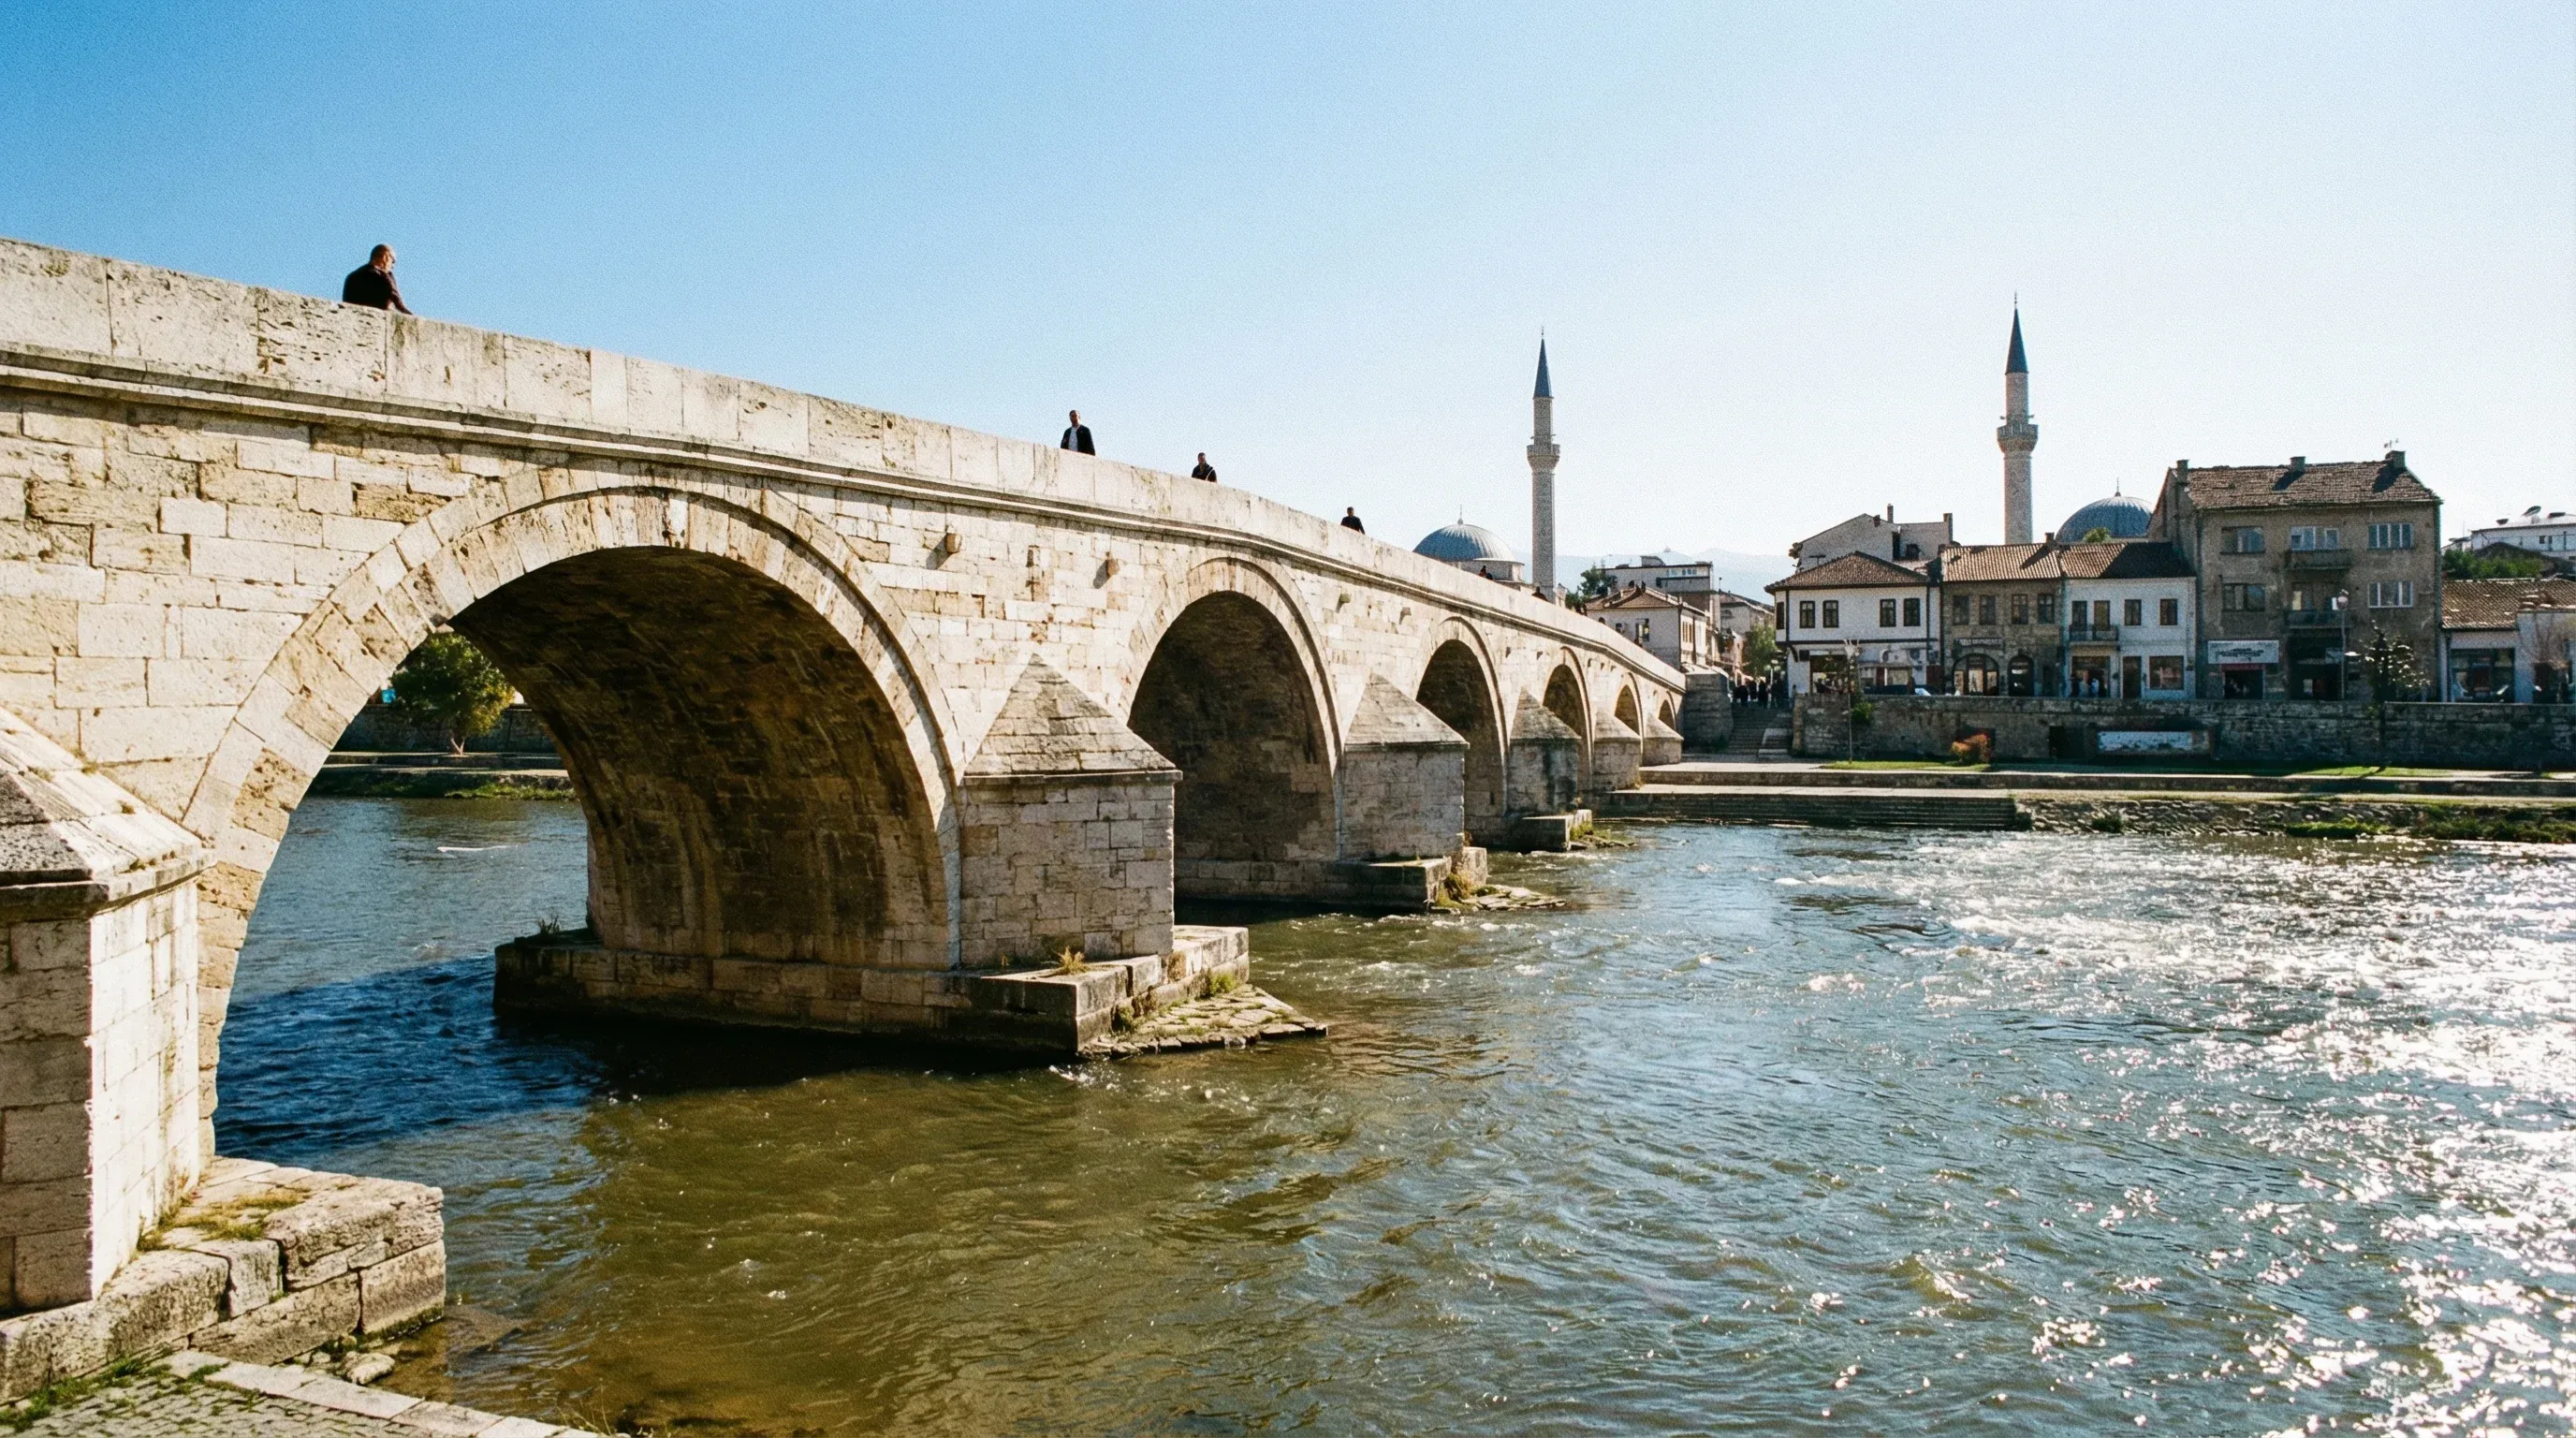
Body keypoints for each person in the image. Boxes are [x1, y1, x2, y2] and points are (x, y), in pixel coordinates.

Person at [341, 245, 413, 314]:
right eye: (393, 261)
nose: (393, 266)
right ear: (385, 257)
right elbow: (396, 299)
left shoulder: (352, 276)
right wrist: (409, 314)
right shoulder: (383, 275)